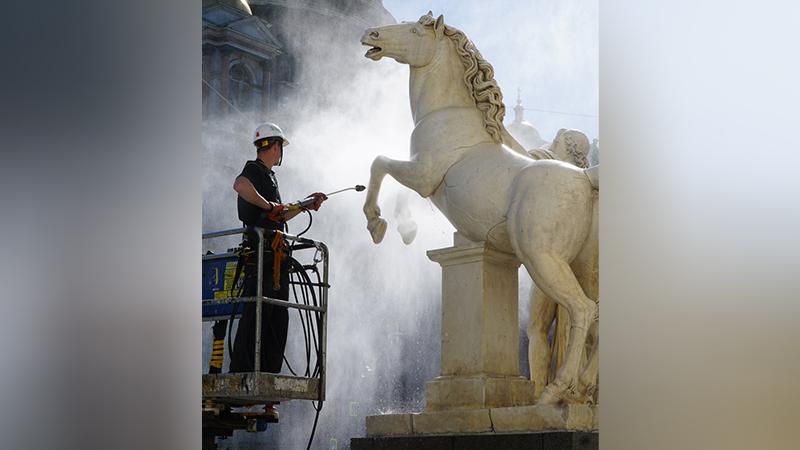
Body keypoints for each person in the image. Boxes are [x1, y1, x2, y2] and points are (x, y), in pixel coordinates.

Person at [228, 122, 326, 376]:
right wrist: (268, 204)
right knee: (257, 313)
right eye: (280, 146)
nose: (281, 151)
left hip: (276, 256)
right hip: (260, 255)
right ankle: (243, 373)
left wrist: (305, 204)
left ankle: (268, 376)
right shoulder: (254, 169)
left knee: (277, 316)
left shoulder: (270, 177)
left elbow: (278, 216)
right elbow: (240, 186)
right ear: (275, 146)